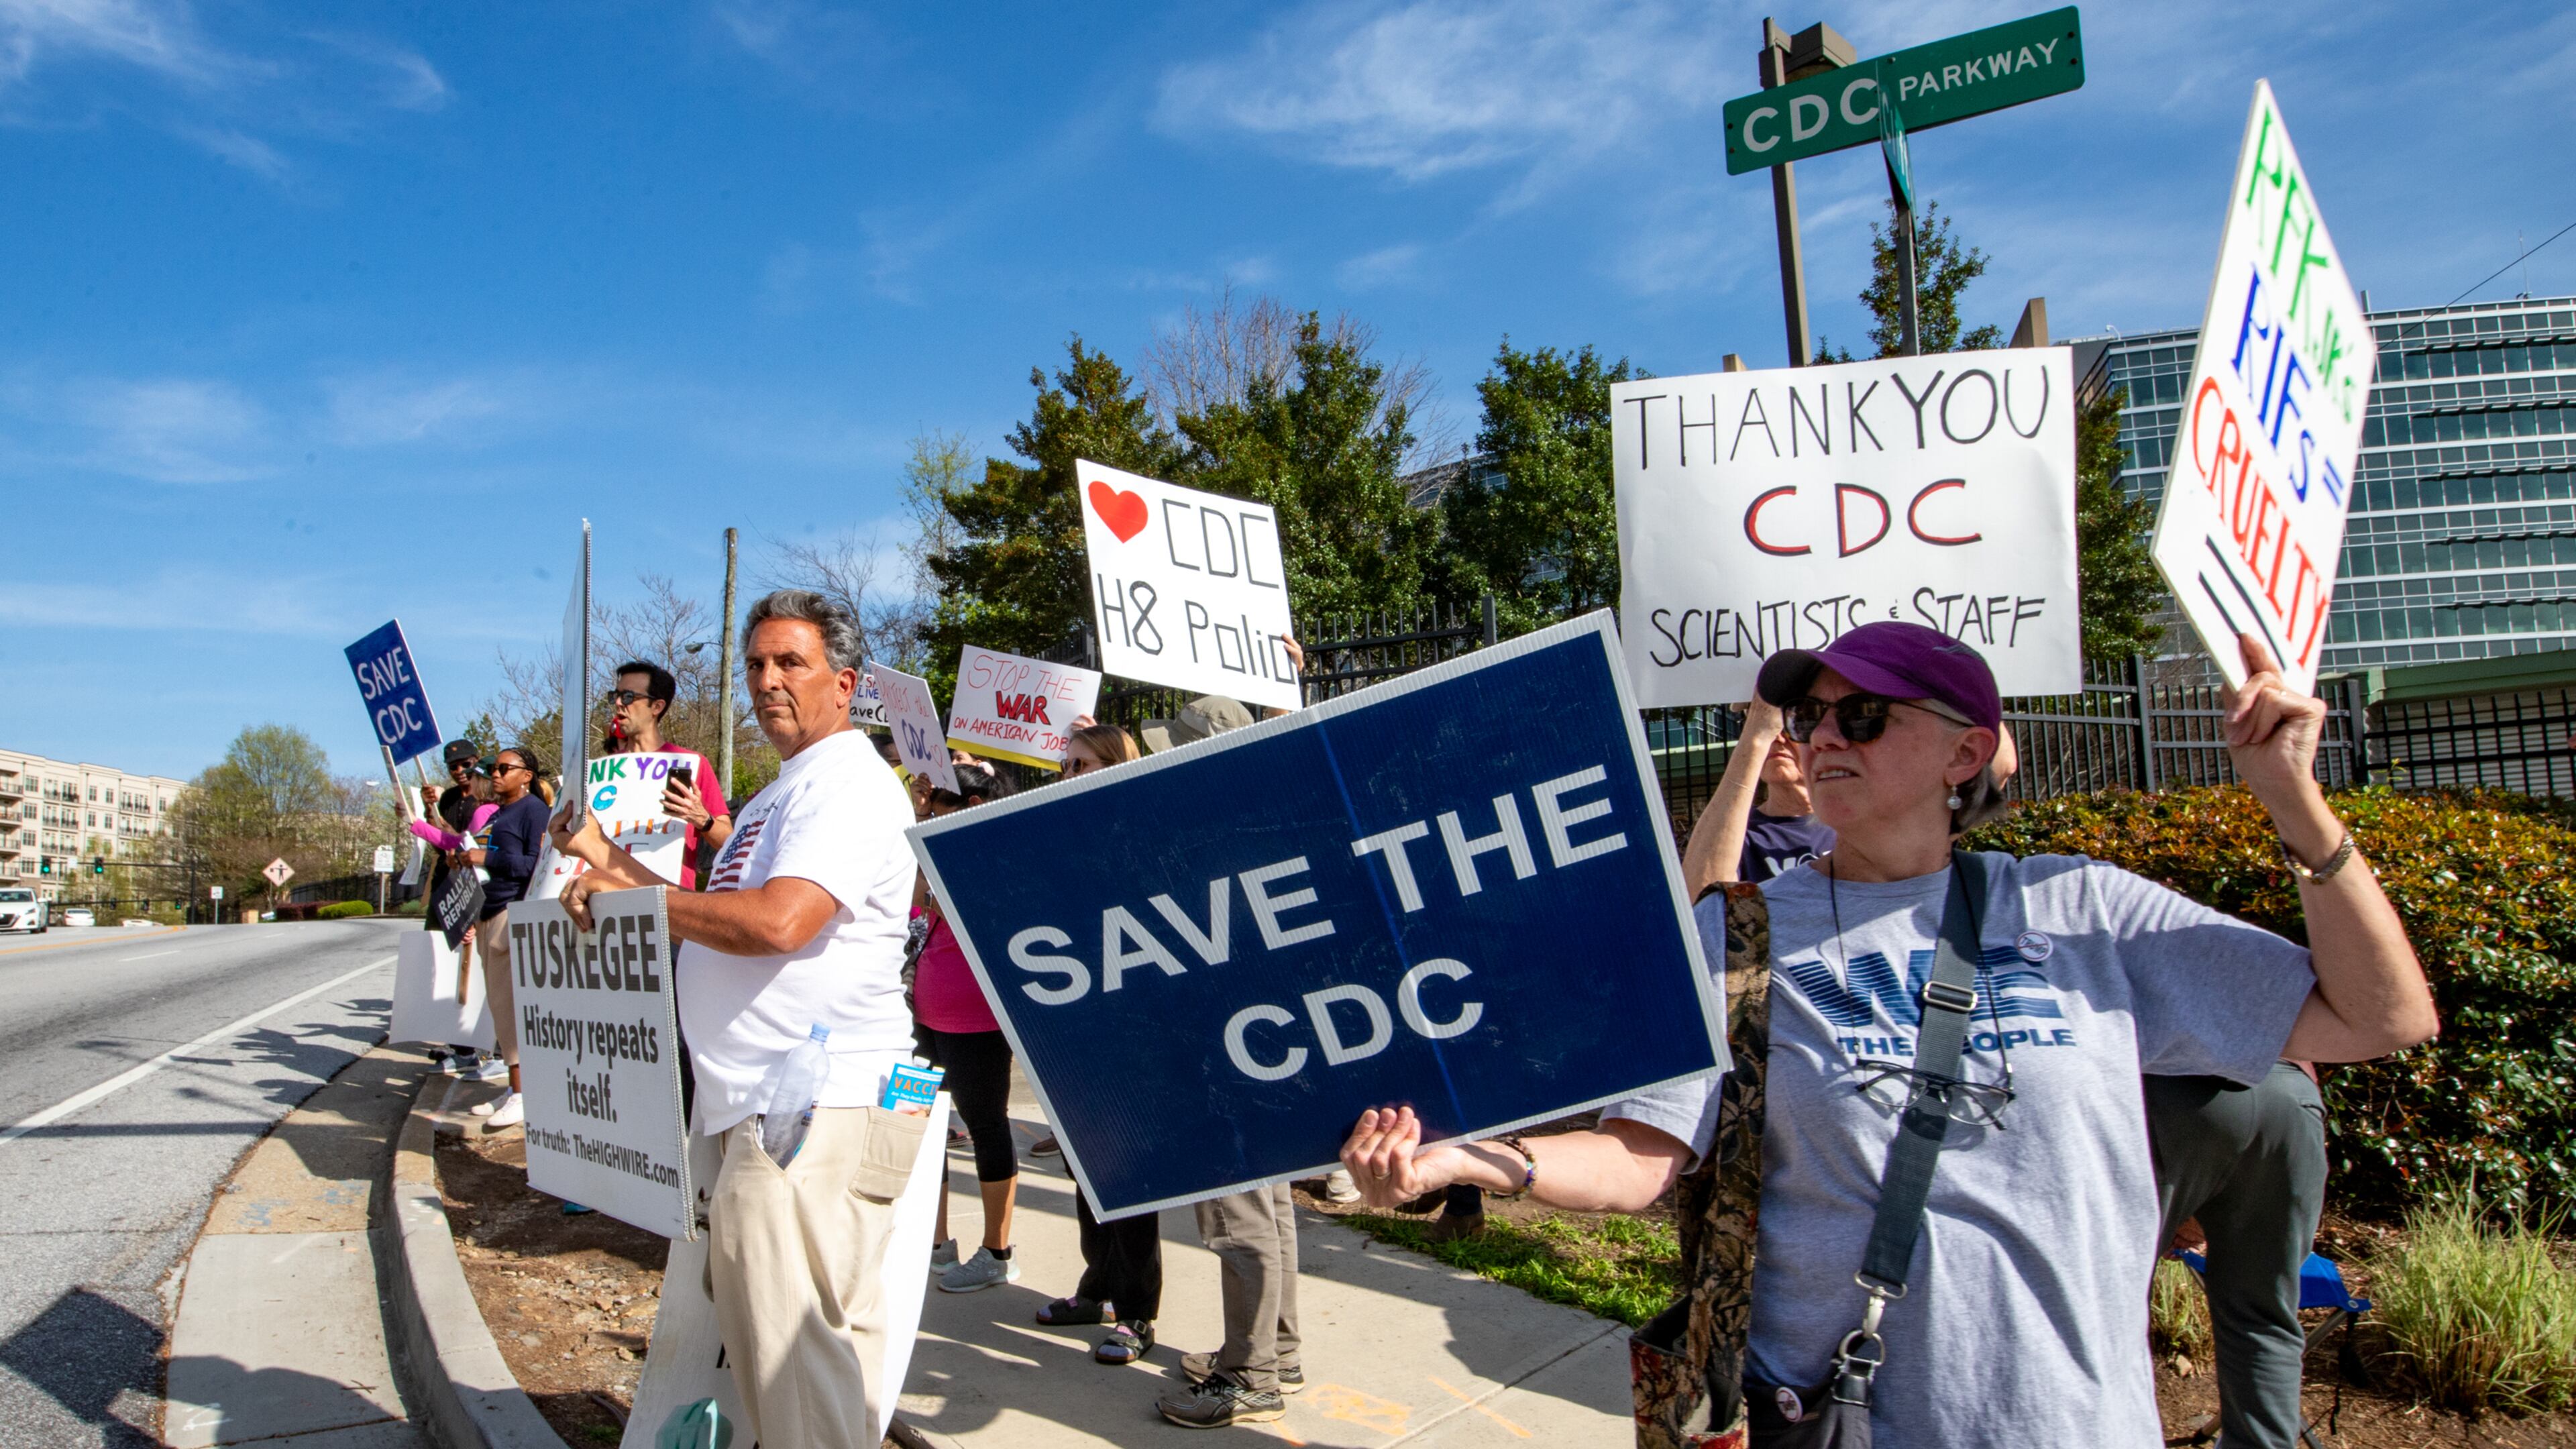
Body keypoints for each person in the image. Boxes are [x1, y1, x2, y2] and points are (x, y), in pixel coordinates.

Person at [1340, 624, 2437, 1448]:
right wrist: (1455, 1158)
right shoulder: (1741, 928)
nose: (1822, 737)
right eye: (1812, 717)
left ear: (1967, 755)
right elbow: (1641, 1159)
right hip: (1841, 1419)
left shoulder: (2085, 909)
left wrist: (2292, 801)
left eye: (1861, 715)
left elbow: (2383, 1017)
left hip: (2081, 1420)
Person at [549, 589, 925, 1449]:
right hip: (760, 1103)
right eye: (755, 665)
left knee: (795, 1361)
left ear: (846, 681)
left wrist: (631, 901)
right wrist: (604, 858)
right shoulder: (777, 796)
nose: (767, 681)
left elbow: (778, 923)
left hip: (806, 1110)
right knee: (804, 1366)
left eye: (791, 662)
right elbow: (710, 909)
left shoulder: (850, 786)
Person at [1147, 696, 1307, 1430]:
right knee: (1266, 1207)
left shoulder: (1219, 837)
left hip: (1230, 1050)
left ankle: (1251, 1376)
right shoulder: (1253, 823)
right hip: (1259, 1045)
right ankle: (1277, 1350)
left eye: (1174, 745)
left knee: (1239, 1216)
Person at [1026, 722, 1171, 1366]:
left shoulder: (1137, 833)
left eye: (1082, 765)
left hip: (1131, 1025)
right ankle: (1098, 1290)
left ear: (1113, 765)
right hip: (1073, 1019)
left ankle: (1138, 1314)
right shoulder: (1059, 833)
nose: (1069, 775)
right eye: (1066, 766)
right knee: (1086, 1166)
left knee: (1129, 1171)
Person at [914, 761, 1028, 1295]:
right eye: (946, 801)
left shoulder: (998, 855)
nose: (953, 811)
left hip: (976, 1020)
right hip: (921, 1016)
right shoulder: (926, 849)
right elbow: (909, 896)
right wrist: (918, 819)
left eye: (966, 801)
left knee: (985, 1125)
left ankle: (997, 1251)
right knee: (916, 1120)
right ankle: (933, 1242)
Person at [461, 746, 551, 1130]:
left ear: (527, 775)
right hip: (488, 911)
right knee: (500, 1007)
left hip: (511, 915)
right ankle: (515, 1088)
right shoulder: (501, 813)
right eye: (492, 769)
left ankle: (523, 1095)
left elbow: (538, 863)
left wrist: (487, 860)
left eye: (503, 768)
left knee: (511, 1007)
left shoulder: (533, 812)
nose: (494, 774)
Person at [602, 658, 734, 888]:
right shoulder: (602, 772)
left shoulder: (691, 765)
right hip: (608, 900)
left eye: (629, 697)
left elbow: (729, 843)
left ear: (657, 707)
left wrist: (702, 819)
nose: (619, 703)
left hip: (671, 903)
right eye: (615, 695)